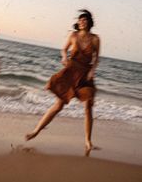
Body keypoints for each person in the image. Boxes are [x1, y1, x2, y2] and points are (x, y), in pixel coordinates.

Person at [25, 9, 100, 151]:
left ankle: (88, 141)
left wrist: (92, 70)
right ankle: (36, 131)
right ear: (78, 23)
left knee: (88, 107)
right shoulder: (73, 35)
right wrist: (64, 57)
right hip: (70, 73)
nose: (82, 22)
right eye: (80, 20)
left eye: (84, 20)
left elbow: (96, 59)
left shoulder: (95, 39)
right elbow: (64, 50)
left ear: (89, 22)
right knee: (59, 104)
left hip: (85, 76)